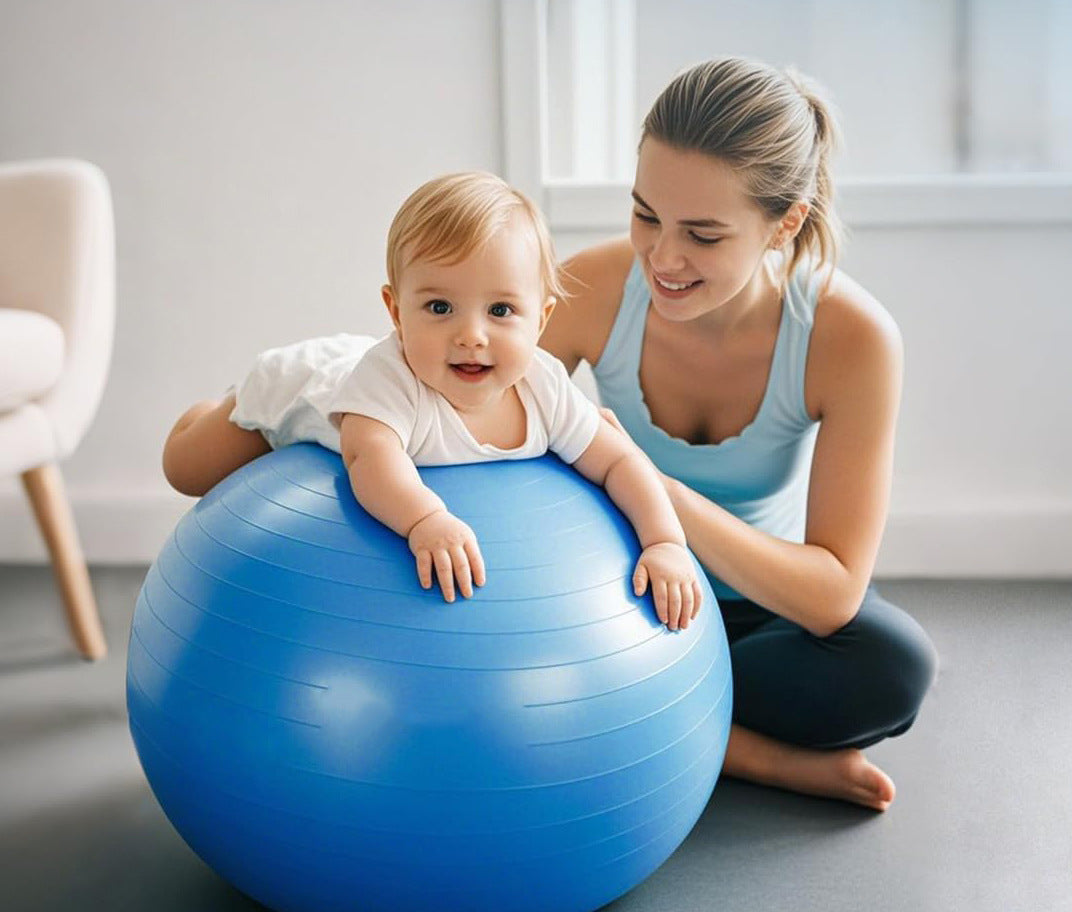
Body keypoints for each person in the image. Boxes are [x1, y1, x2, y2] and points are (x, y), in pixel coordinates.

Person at [540, 58, 938, 811]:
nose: (662, 257)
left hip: (760, 617)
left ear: (784, 222)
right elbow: (477, 418)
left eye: (704, 234)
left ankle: (651, 720)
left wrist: (653, 488)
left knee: (893, 667)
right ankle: (754, 756)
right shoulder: (590, 289)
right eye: (645, 214)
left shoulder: (850, 338)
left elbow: (831, 594)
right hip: (620, 595)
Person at [162, 172, 703, 630]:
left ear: (542, 319)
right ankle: (208, 411)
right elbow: (369, 459)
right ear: (396, 312)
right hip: (300, 387)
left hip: (347, 367)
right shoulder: (389, 380)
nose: (471, 335)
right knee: (185, 468)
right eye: (440, 307)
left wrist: (664, 541)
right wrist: (425, 520)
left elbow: (618, 459)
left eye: (500, 311)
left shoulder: (543, 386)